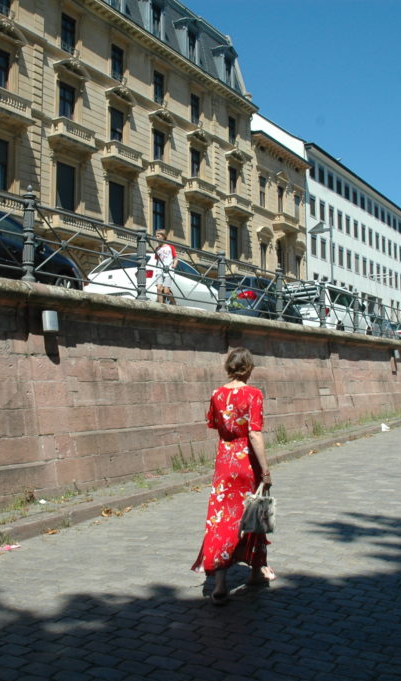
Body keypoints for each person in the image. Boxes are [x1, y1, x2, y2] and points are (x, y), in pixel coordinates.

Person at [192, 347, 274, 604]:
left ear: (228, 368)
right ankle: (257, 571)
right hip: (246, 462)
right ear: (249, 368)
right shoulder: (254, 394)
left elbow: (215, 425)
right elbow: (254, 434)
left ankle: (218, 582)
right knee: (255, 514)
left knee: (221, 518)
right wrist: (266, 469)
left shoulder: (216, 394)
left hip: (224, 464)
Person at [154, 230, 177, 305]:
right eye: (156, 236)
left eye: (158, 236)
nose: (156, 237)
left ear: (163, 237)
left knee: (166, 291)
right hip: (159, 270)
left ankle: (174, 303)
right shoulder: (157, 248)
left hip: (168, 270)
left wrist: (174, 265)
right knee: (159, 289)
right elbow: (157, 259)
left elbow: (175, 258)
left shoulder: (170, 246)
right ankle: (161, 306)